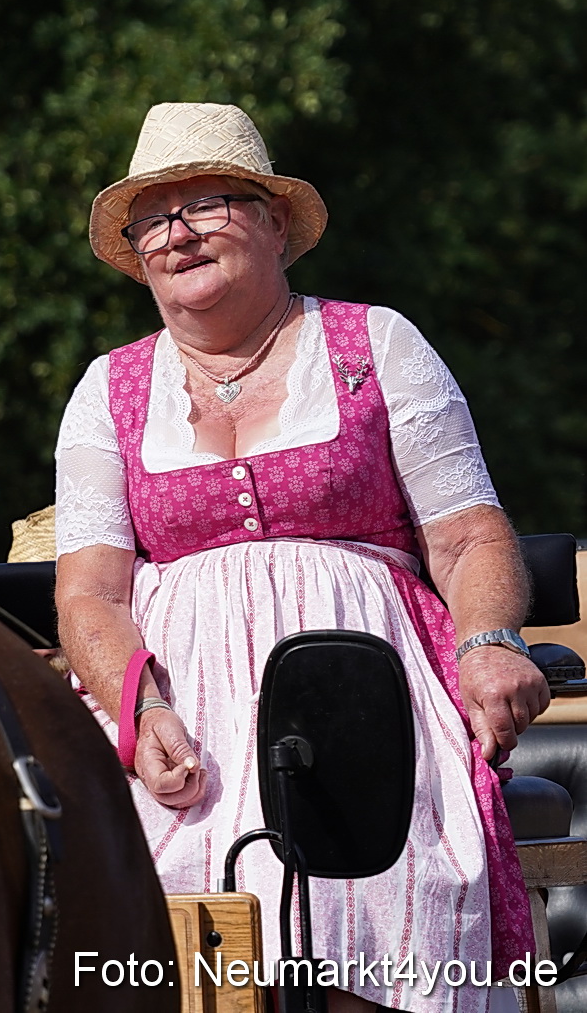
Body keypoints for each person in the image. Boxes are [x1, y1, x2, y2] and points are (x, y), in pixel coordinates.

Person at [53, 102, 547, 1012]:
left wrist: (488, 640)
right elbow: (89, 592)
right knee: (165, 926)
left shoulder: (377, 343)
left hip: (368, 690)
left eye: (211, 204)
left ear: (277, 222)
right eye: (156, 217)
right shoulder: (108, 389)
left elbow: (469, 534)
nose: (180, 233)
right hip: (183, 713)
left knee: (383, 901)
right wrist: (140, 709)